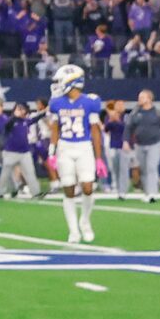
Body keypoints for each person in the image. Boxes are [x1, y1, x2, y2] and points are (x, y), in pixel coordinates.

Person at [46, 64, 101, 244]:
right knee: (68, 189)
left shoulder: (90, 102)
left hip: (84, 147)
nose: (57, 85)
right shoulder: (57, 103)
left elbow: (95, 130)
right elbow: (55, 128)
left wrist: (99, 157)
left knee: (87, 187)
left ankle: (85, 221)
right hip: (65, 147)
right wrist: (51, 151)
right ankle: (73, 230)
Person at [126, 89, 160, 202]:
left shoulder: (158, 112)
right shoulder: (135, 112)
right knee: (143, 169)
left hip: (154, 143)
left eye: (142, 97)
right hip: (140, 144)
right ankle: (147, 192)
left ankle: (152, 193)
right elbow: (129, 127)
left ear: (149, 99)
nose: (139, 100)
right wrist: (126, 141)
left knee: (151, 167)